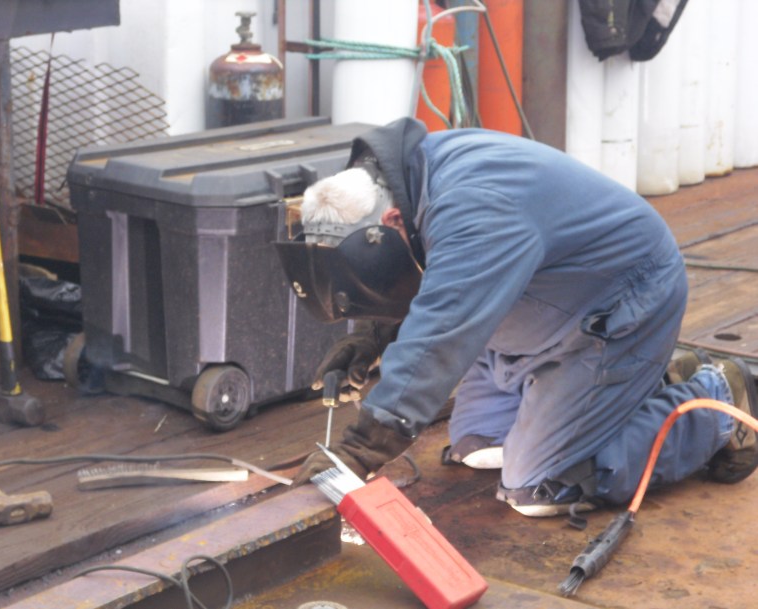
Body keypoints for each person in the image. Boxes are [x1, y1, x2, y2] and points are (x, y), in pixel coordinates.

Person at [275, 117, 758, 516]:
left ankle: (718, 398)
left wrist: (360, 451)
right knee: (477, 447)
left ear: (390, 222)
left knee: (539, 486)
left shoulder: (474, 210)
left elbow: (441, 334)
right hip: (545, 305)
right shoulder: (409, 178)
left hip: (621, 306)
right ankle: (651, 378)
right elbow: (432, 277)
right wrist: (374, 336)